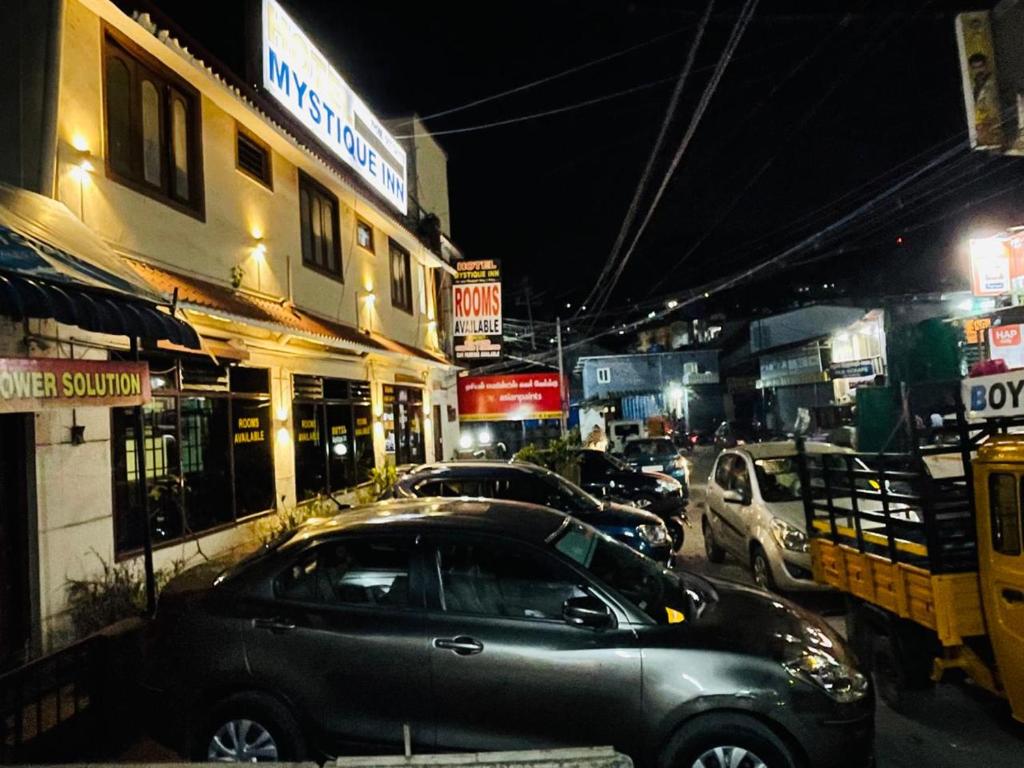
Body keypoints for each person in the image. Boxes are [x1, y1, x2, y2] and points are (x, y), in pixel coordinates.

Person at [969, 52, 1003, 147]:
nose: (978, 70)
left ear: (986, 66)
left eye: (981, 67)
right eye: (975, 68)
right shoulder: (973, 85)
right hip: (982, 128)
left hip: (996, 125)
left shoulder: (995, 82)